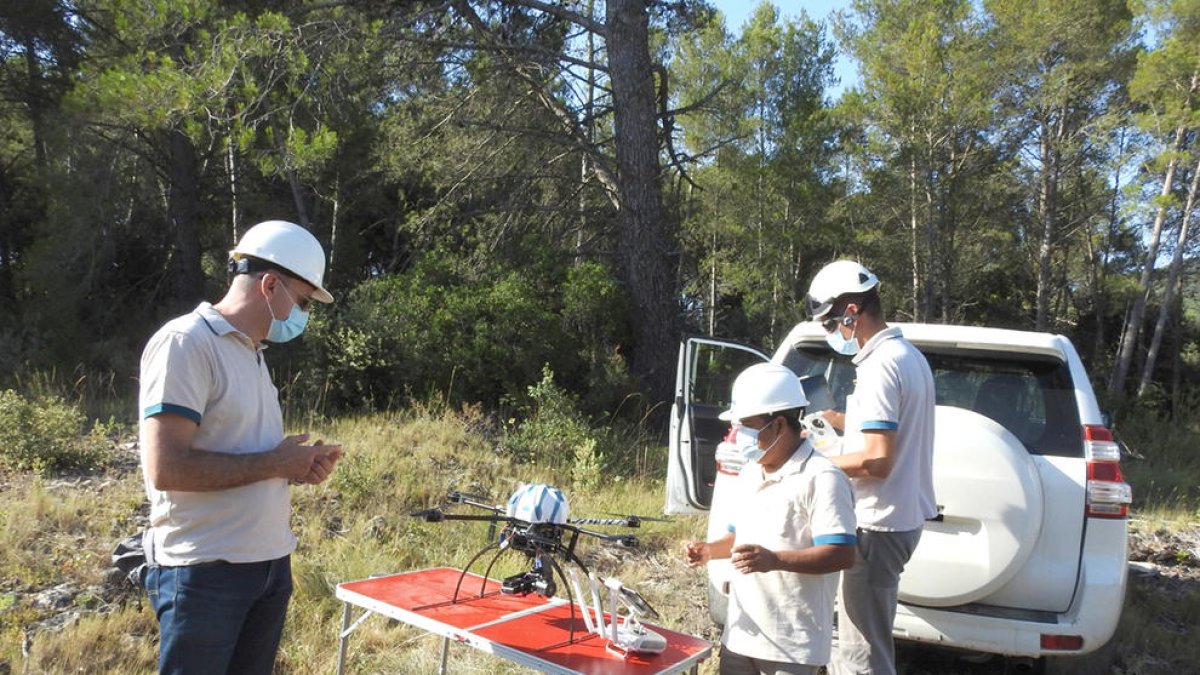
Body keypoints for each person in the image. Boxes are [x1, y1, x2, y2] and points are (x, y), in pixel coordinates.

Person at [137, 220, 344, 675]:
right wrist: (276, 462)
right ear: (270, 285)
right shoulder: (185, 343)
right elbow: (167, 467)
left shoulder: (252, 352)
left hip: (267, 566)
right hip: (204, 572)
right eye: (303, 301)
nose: (303, 314)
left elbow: (244, 453)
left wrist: (292, 464)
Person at [805, 260, 937, 675]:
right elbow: (892, 428)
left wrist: (816, 465)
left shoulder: (880, 365)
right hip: (899, 519)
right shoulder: (908, 356)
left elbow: (878, 459)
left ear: (851, 312)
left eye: (830, 323)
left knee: (860, 655)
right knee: (868, 641)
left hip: (877, 524)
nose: (831, 333)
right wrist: (840, 422)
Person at [683, 362, 857, 675]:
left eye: (747, 426)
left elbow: (841, 553)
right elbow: (737, 538)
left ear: (778, 425)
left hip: (791, 646)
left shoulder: (822, 477)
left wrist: (775, 560)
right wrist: (709, 550)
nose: (739, 435)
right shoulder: (751, 473)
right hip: (742, 635)